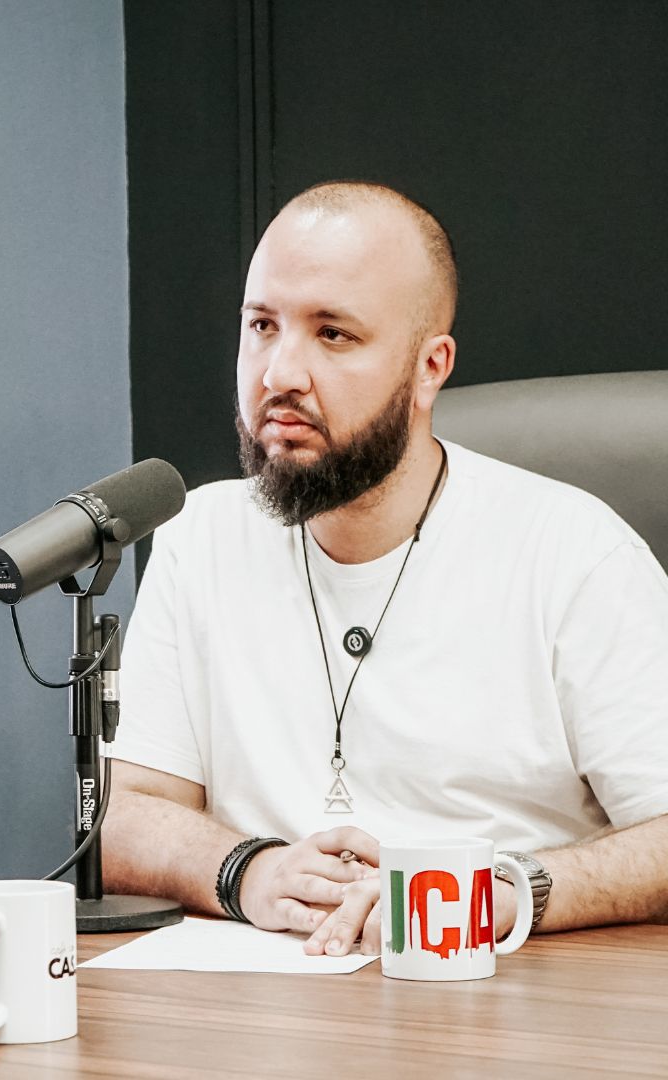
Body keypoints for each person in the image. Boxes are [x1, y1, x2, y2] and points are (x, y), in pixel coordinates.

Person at [102, 180, 668, 955]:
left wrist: (500, 893)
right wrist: (247, 869)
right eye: (262, 326)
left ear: (430, 367)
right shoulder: (200, 535)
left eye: (333, 334)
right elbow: (123, 815)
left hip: (498, 989)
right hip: (267, 998)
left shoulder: (574, 553)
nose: (279, 374)